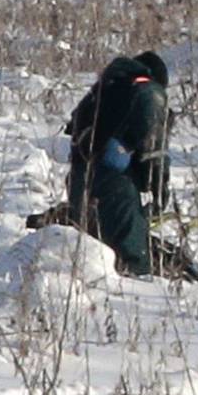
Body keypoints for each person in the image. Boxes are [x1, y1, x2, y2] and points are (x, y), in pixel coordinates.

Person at [66, 49, 171, 277]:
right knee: (133, 266)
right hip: (114, 187)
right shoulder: (149, 92)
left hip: (78, 183)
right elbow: (153, 147)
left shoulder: (104, 89)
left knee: (92, 263)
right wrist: (159, 187)